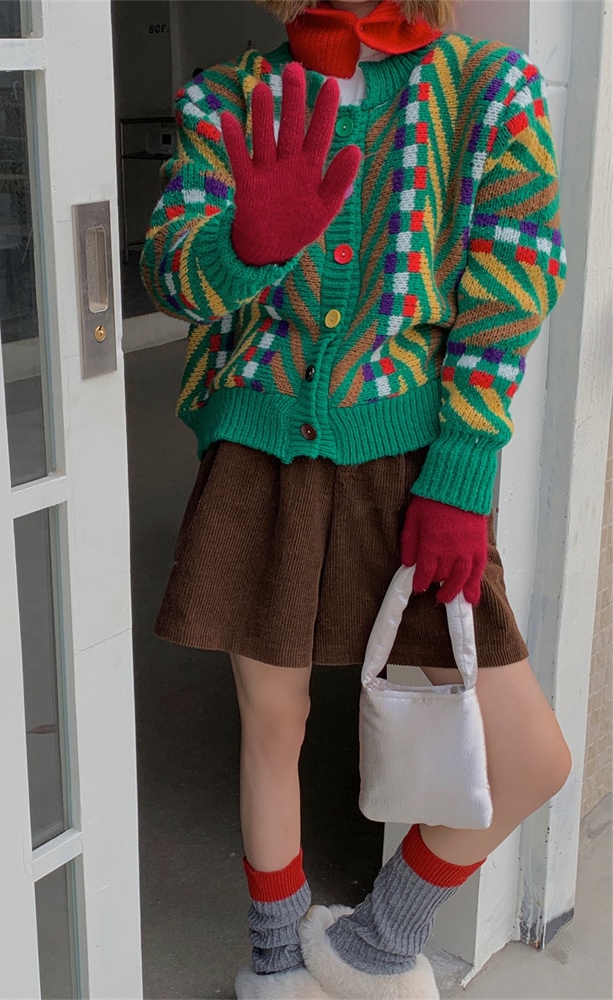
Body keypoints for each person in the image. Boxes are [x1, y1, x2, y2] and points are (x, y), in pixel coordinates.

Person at [140, 1, 571, 997]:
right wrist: (243, 248)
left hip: (414, 467)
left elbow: (512, 289)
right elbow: (172, 277)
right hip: (258, 449)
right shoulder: (229, 97)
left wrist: (463, 470)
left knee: (530, 755)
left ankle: (378, 941)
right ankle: (276, 963)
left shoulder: (488, 90)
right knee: (272, 721)